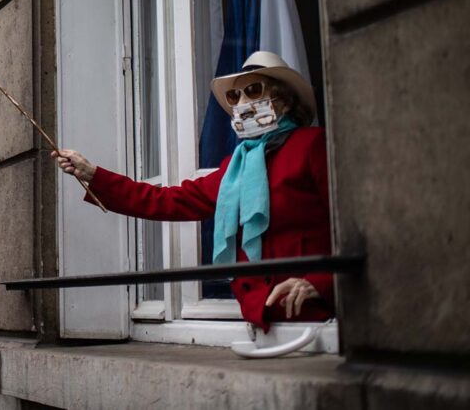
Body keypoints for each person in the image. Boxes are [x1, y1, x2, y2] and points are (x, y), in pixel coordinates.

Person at [53, 51, 333, 332]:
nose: (242, 103)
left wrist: (320, 281)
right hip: (261, 319)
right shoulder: (235, 167)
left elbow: (352, 225)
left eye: (253, 90)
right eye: (234, 97)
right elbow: (167, 201)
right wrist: (92, 174)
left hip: (314, 316)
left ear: (283, 100)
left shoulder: (312, 146)